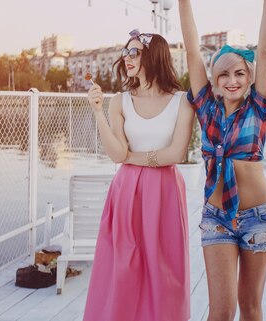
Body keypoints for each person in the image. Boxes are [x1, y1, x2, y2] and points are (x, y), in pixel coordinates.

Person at [164, 0, 266, 321]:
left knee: (250, 307)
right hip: (216, 216)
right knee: (220, 310)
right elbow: (191, 52)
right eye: (223, 75)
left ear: (249, 79)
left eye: (238, 74)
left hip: (257, 218)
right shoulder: (207, 109)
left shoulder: (259, 108)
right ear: (214, 83)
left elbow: (264, 52)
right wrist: (184, 0)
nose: (231, 80)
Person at [83, 29, 194, 321]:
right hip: (127, 190)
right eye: (126, 52)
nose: (127, 58)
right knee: (123, 266)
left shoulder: (182, 100)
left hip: (166, 190)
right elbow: (117, 154)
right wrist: (97, 112)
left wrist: (133, 158)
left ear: (153, 56)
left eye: (135, 52)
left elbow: (176, 154)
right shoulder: (119, 101)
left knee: (164, 267)